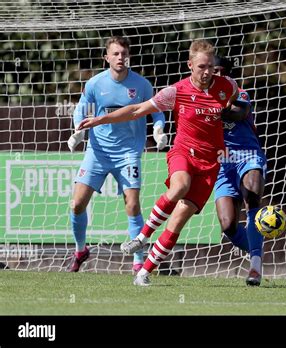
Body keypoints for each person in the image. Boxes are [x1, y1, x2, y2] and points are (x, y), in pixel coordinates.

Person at [77, 39, 240, 286]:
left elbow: (235, 98)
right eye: (201, 67)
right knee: (179, 186)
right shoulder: (176, 91)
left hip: (210, 164)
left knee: (177, 222)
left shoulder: (226, 86)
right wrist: (99, 120)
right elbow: (135, 110)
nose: (206, 72)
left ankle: (144, 273)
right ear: (190, 65)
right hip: (183, 153)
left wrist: (231, 112)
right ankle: (143, 237)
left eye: (210, 67)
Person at [66, 36, 167, 273]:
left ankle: (138, 261)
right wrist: (78, 131)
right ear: (107, 57)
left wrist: (159, 128)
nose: (120, 57)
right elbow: (81, 109)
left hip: (129, 153)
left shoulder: (141, 85)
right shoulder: (94, 83)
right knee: (77, 204)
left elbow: (157, 111)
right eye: (115, 53)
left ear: (128, 56)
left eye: (123, 53)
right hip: (98, 151)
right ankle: (81, 250)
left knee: (132, 205)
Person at [212, 56, 267, 286]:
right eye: (208, 70)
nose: (213, 75)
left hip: (247, 155)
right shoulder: (198, 97)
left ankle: (255, 268)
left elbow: (238, 113)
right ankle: (257, 252)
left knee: (252, 196)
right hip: (221, 162)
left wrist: (211, 110)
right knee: (228, 225)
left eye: (218, 71)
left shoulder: (240, 94)